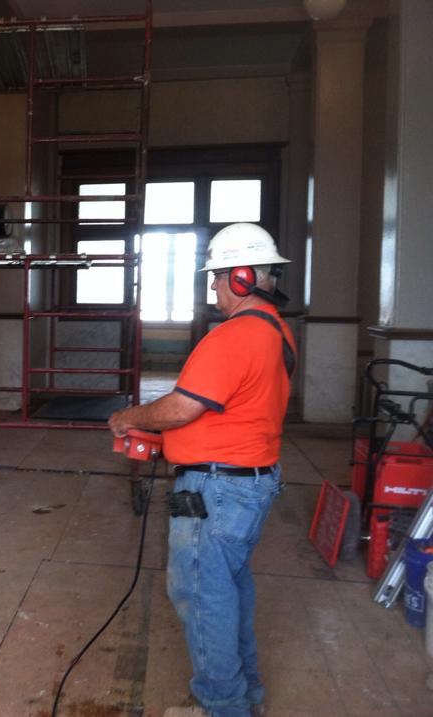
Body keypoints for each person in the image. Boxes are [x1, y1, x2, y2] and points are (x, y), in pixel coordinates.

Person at [107, 223, 295, 717]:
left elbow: (180, 408)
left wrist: (129, 417)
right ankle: (246, 695)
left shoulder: (236, 336)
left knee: (201, 595)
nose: (212, 287)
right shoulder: (277, 331)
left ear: (242, 277)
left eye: (216, 277)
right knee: (230, 589)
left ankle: (223, 707)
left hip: (216, 490)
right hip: (250, 484)